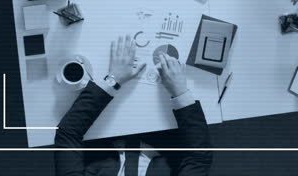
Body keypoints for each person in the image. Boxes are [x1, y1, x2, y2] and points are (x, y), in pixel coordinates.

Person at [54, 35, 212, 176]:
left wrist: (112, 80)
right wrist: (180, 92)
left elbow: (67, 134)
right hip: (162, 129)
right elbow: (199, 158)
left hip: (100, 130)